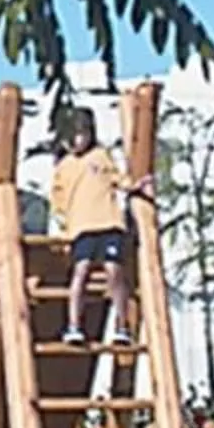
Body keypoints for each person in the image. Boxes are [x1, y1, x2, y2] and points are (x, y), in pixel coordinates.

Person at [46, 108, 154, 346]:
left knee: (114, 271)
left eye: (82, 134)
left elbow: (118, 179)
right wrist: (63, 221)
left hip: (108, 223)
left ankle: (123, 325)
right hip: (81, 227)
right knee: (81, 271)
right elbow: (57, 199)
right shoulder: (64, 166)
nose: (77, 141)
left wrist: (136, 186)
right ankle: (74, 325)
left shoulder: (101, 157)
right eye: (72, 136)